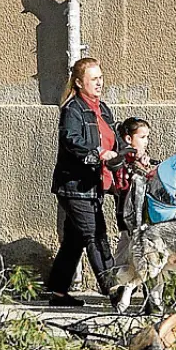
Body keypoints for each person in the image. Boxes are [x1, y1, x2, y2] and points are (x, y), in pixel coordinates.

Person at [46, 57, 125, 307]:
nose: (99, 83)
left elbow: (115, 139)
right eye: (94, 79)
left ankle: (58, 292)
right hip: (75, 187)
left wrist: (131, 152)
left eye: (100, 78)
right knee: (96, 236)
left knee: (74, 239)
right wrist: (99, 153)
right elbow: (71, 140)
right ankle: (115, 291)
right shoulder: (73, 109)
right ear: (79, 83)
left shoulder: (103, 109)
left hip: (93, 184)